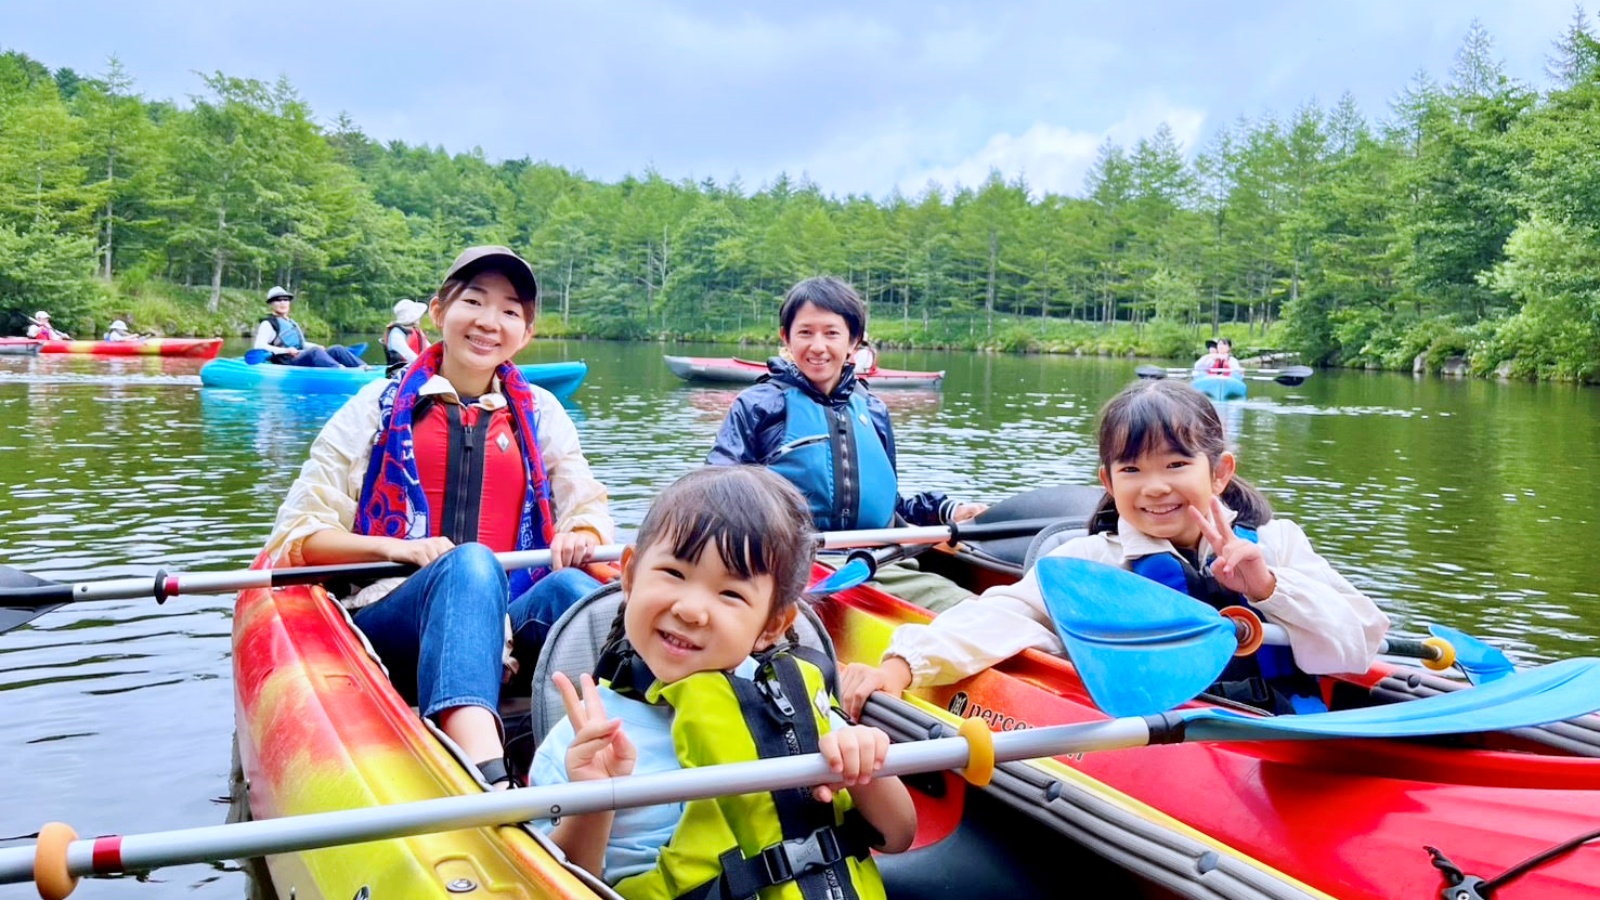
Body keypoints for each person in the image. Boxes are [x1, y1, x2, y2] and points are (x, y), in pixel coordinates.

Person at [263, 245, 613, 788]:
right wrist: (398, 549)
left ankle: (602, 758)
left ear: (525, 333)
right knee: (470, 567)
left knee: (573, 592)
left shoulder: (541, 412)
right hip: (391, 620)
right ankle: (487, 777)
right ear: (438, 311)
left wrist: (583, 530)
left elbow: (585, 501)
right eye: (474, 301)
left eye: (510, 311)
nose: (489, 322)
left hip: (508, 620)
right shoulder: (374, 407)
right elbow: (298, 536)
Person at [840, 378, 1389, 718]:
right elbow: (1001, 616)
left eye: (1176, 465)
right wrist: (902, 666)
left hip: (1293, 732)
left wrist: (1270, 588)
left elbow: (1361, 640)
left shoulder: (1278, 544)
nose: (1154, 486)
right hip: (1177, 737)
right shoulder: (1089, 565)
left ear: (1220, 472)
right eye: (1132, 469)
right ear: (1108, 480)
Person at [532, 466, 915, 897]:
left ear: (772, 626)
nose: (691, 610)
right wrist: (593, 801)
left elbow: (898, 834)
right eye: (674, 573)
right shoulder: (580, 738)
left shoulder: (796, 705)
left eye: (730, 594)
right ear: (631, 575)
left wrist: (865, 770)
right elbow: (552, 884)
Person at [707, 276, 985, 613]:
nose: (818, 346)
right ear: (786, 337)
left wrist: (947, 511)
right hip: (789, 570)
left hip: (881, 563)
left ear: (853, 341)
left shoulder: (873, 410)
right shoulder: (759, 405)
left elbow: (888, 503)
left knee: (985, 615)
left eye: (832, 333)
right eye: (805, 332)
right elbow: (715, 495)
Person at [254, 286, 367, 368]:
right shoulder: (268, 324)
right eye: (278, 300)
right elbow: (259, 345)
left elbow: (301, 345)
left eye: (285, 299)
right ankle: (339, 369)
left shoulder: (290, 322)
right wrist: (285, 350)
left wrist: (316, 345)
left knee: (337, 349)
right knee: (315, 352)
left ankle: (365, 368)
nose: (283, 303)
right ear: (271, 304)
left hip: (300, 357)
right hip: (286, 362)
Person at [385, 298, 431, 377]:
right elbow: (408, 355)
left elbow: (430, 349)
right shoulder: (396, 333)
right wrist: (424, 365)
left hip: (416, 369)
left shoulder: (416, 331)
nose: (420, 317)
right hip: (399, 371)